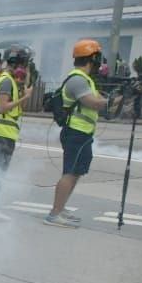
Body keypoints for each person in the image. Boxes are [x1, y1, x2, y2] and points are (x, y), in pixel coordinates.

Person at [46, 39, 108, 228]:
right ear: (93, 58)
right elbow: (94, 103)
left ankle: (61, 208)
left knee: (77, 172)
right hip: (75, 133)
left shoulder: (84, 79)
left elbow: (96, 100)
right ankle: (54, 214)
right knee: (70, 173)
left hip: (83, 133)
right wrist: (108, 99)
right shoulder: (78, 80)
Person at [0, 47, 34, 220]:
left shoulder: (11, 81)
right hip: (1, 133)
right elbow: (3, 107)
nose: (26, 69)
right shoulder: (5, 81)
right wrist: (25, 97)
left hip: (7, 134)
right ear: (17, 64)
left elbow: (17, 109)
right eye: (25, 65)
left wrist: (23, 91)